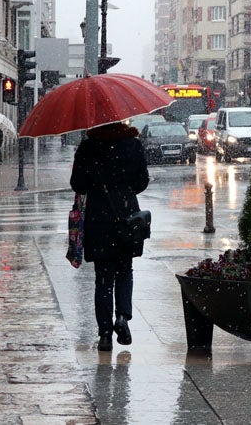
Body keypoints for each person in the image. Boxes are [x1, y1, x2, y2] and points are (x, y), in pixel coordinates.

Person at [70, 122, 150, 352]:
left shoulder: (88, 146)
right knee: (125, 269)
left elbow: (78, 185)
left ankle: (105, 333)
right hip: (127, 215)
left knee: (103, 277)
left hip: (99, 217)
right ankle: (122, 317)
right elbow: (142, 181)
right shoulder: (133, 144)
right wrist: (124, 190)